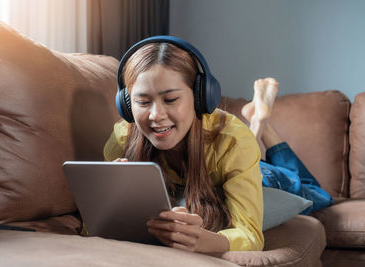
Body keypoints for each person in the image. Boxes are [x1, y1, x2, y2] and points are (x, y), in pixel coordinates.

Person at [104, 36, 264, 254]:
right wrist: (110, 200)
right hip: (196, 184)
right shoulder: (122, 138)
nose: (156, 115)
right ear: (126, 104)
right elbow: (93, 227)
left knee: (304, 187)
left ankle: (264, 127)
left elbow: (251, 236)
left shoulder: (235, 143)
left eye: (170, 100)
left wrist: (203, 241)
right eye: (142, 102)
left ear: (200, 98)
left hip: (266, 174)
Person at [241, 78, 333, 214]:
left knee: (316, 193)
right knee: (318, 193)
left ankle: (260, 123)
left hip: (254, 175)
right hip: (256, 172)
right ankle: (259, 123)